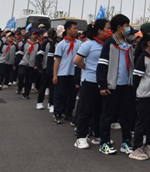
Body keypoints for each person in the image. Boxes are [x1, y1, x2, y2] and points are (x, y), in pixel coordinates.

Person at [96, 14, 136, 155]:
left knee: (126, 116)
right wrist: (102, 85)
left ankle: (126, 143)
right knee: (107, 116)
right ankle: (104, 143)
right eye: (126, 25)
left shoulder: (128, 44)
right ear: (119, 27)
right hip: (112, 86)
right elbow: (102, 65)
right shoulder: (110, 43)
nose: (128, 28)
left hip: (126, 85)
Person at [73, 19, 109, 149]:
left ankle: (98, 136)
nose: (109, 30)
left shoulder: (107, 45)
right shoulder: (89, 44)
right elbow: (77, 60)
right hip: (90, 81)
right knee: (86, 110)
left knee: (100, 111)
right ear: (99, 30)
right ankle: (81, 137)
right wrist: (88, 68)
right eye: (107, 28)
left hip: (103, 83)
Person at [130, 32, 150, 160]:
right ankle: (136, 148)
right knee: (141, 123)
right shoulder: (142, 58)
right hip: (144, 95)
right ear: (149, 43)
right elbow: (136, 78)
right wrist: (136, 94)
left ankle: (148, 146)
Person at [53, 21, 80, 123]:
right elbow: (57, 60)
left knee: (72, 95)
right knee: (60, 95)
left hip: (74, 74)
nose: (76, 30)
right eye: (74, 28)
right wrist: (55, 75)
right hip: (62, 73)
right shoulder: (61, 44)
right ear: (68, 30)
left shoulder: (79, 44)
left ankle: (68, 113)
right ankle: (58, 113)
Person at [17, 28, 41, 99]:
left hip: (31, 65)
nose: (35, 36)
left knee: (29, 80)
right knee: (21, 75)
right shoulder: (25, 43)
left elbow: (38, 56)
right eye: (34, 34)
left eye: (36, 35)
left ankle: (26, 94)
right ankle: (20, 86)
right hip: (23, 63)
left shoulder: (38, 45)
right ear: (30, 35)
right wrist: (17, 62)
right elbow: (20, 53)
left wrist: (36, 64)